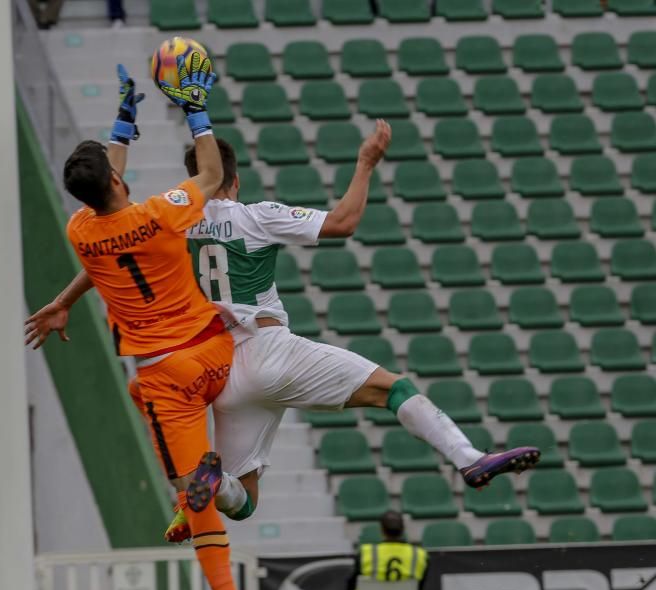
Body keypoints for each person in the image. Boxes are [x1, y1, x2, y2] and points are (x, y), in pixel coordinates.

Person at [39, 126, 541, 542]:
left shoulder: (166, 221)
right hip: (269, 349)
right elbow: (344, 222)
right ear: (232, 182)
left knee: (245, 501)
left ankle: (217, 487)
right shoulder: (257, 216)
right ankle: (469, 458)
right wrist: (366, 162)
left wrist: (62, 302)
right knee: (394, 389)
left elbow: (106, 257)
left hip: (218, 373)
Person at [24, 57, 258, 590]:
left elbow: (107, 192)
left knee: (187, 482)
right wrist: (191, 102)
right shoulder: (162, 212)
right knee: (177, 457)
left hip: (167, 377)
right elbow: (211, 171)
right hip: (216, 352)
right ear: (117, 183)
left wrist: (123, 125)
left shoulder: (80, 230)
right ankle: (194, 490)